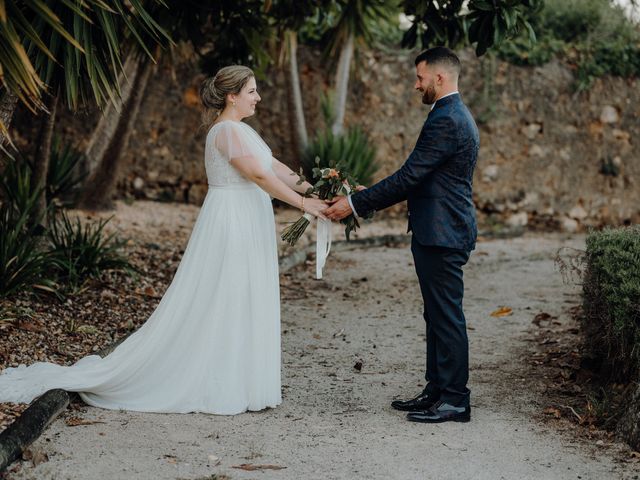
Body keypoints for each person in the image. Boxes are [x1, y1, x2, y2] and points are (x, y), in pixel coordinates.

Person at [0, 65, 327, 415]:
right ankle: (221, 381)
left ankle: (240, 379)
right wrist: (304, 204)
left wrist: (322, 190)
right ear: (232, 96)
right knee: (226, 293)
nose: (258, 97)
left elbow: (278, 169)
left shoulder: (244, 132)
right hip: (231, 221)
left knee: (244, 293)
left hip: (247, 218)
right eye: (252, 91)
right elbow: (259, 175)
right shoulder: (227, 131)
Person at [326, 47, 479, 423]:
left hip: (443, 232)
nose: (416, 85)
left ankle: (456, 399)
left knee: (446, 315)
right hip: (439, 230)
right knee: (436, 314)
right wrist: (362, 196)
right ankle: (438, 390)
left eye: (420, 78)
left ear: (439, 78)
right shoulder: (450, 114)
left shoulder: (447, 118)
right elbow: (418, 176)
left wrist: (355, 203)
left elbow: (410, 176)